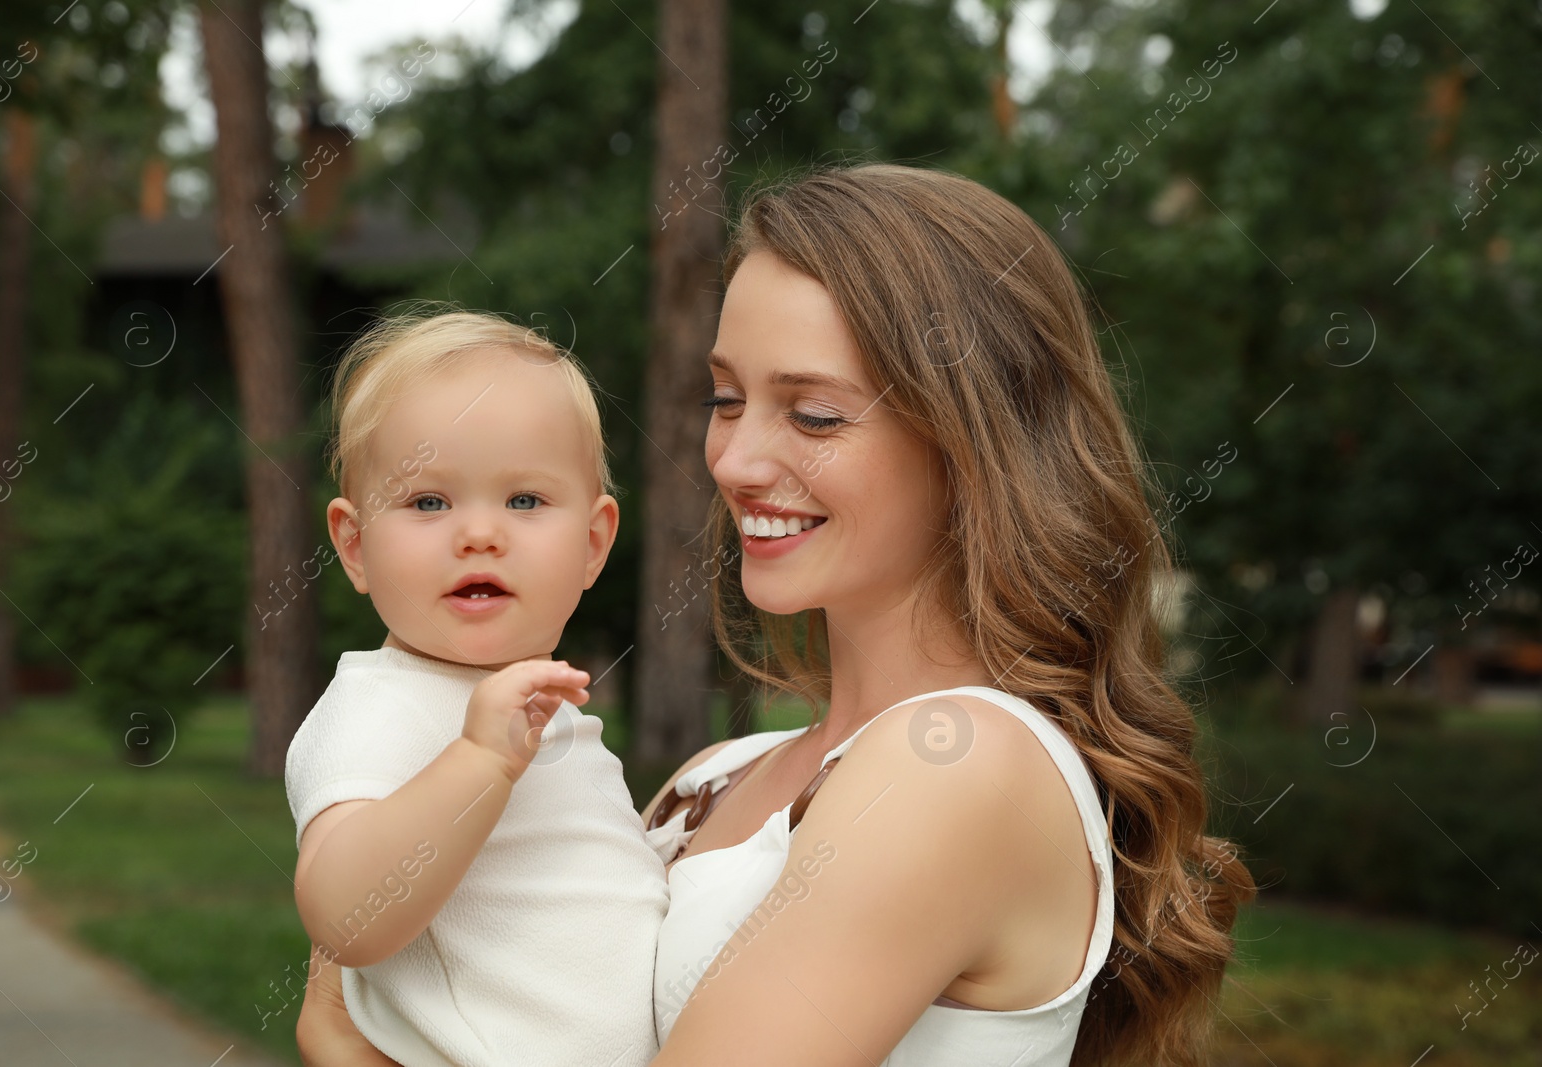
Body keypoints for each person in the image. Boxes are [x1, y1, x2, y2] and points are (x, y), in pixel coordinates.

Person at [298, 164, 1254, 1067]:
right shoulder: (713, 779)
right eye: (727, 398)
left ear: (971, 440)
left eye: (815, 415)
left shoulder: (960, 762)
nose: (737, 460)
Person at [285, 311, 668, 1067]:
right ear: (355, 546)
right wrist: (478, 764)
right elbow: (344, 920)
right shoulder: (376, 706)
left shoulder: (541, 705)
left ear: (593, 544)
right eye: (429, 501)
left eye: (524, 500)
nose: (480, 533)